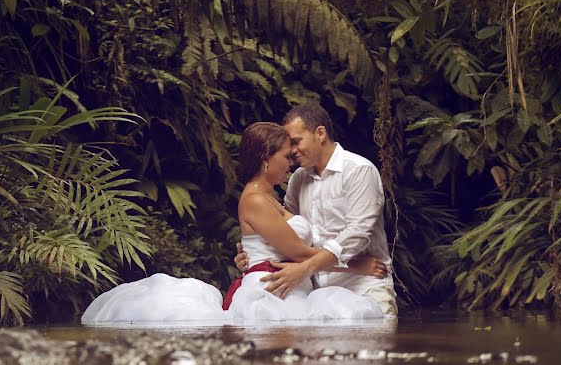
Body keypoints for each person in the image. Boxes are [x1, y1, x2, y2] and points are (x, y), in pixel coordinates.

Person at [81, 122, 386, 325]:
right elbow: (298, 254)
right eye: (284, 155)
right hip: (272, 291)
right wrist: (353, 266)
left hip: (291, 285)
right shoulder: (255, 198)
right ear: (266, 158)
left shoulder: (271, 197)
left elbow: (290, 249)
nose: (290, 161)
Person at [234, 103, 398, 316]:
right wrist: (252, 256)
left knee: (372, 347)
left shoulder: (358, 170)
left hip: (363, 284)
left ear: (320, 133)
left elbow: (357, 233)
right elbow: (287, 237)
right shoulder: (297, 180)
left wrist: (308, 267)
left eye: (295, 142)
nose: (291, 152)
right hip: (314, 293)